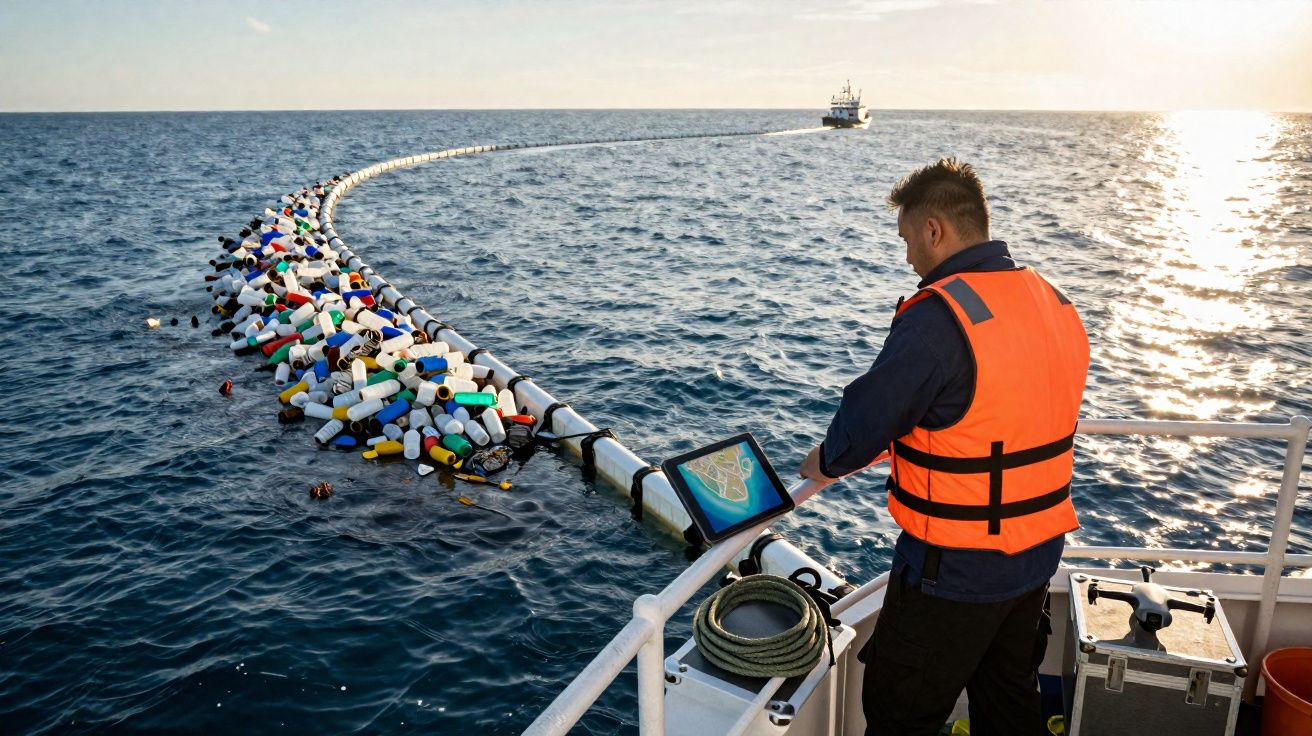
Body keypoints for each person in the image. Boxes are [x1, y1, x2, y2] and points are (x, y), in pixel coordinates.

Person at [799, 158, 1089, 736]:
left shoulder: (939, 317)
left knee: (899, 714)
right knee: (1007, 704)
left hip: (951, 572)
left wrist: (821, 464)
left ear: (935, 229)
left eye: (908, 240)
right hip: (1034, 558)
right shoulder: (1050, 299)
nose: (908, 258)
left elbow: (862, 428)